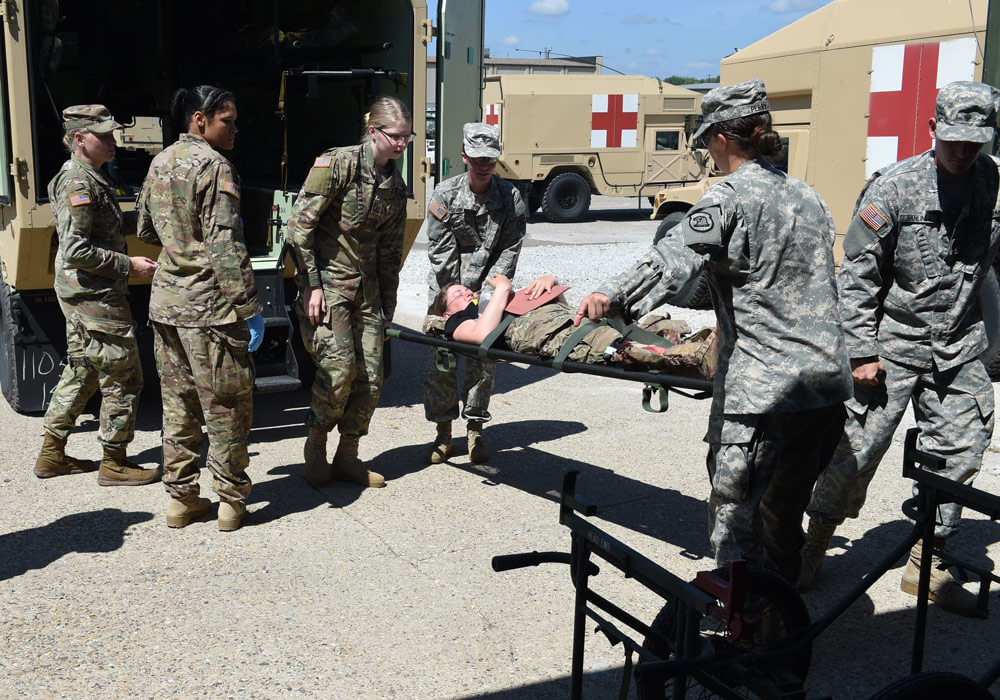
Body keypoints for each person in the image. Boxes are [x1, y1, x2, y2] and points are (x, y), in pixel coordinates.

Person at [575, 79, 852, 583]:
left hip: (763, 390)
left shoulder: (728, 196)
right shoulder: (807, 195)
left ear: (722, 139)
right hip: (822, 387)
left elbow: (674, 258)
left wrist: (611, 295)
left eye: (706, 141)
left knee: (734, 511)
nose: (706, 151)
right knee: (783, 510)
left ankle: (739, 633)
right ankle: (781, 614)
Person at [798, 81, 1000, 616]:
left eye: (973, 143)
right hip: (892, 347)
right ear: (933, 129)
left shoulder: (993, 182)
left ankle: (927, 560)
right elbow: (858, 276)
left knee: (961, 450)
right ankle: (813, 542)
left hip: (959, 345)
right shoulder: (895, 187)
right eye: (952, 140)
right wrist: (860, 351)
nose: (961, 153)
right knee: (853, 453)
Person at [138, 85, 264, 532]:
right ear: (199, 120)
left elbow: (145, 227)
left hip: (166, 307)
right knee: (226, 406)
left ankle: (181, 500)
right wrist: (249, 307)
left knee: (178, 407)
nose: (234, 129)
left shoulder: (160, 162)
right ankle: (230, 503)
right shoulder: (215, 166)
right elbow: (226, 246)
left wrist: (179, 245)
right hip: (209, 310)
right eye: (227, 121)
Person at [33, 105, 160, 487]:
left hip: (86, 292)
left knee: (84, 369)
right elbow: (75, 249)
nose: (111, 140)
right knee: (124, 376)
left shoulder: (92, 177)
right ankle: (115, 462)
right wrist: (128, 265)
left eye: (111, 133)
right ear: (78, 139)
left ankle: (52, 453)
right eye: (102, 135)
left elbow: (99, 228)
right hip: (94, 294)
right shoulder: (78, 182)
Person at [287, 95, 410, 488]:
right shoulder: (338, 164)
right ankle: (316, 445)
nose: (403, 144)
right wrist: (311, 286)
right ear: (373, 132)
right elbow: (299, 227)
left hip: (368, 294)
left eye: (407, 137)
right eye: (397, 137)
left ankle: (348, 456)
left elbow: (390, 251)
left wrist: (387, 306)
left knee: (371, 379)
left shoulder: (394, 181)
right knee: (338, 372)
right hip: (329, 287)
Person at [423, 123, 526, 465]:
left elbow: (511, 246)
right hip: (446, 290)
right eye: (477, 158)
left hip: (487, 290)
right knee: (443, 362)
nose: (484, 166)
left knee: (484, 363)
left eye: (491, 160)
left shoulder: (509, 197)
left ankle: (475, 429)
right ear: (464, 156)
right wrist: (458, 297)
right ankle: (442, 433)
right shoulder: (445, 195)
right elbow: (440, 250)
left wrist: (491, 290)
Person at [436, 274, 716, 377]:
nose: (469, 295)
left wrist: (551, 285)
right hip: (562, 337)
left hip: (576, 322)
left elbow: (560, 309)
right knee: (626, 348)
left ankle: (708, 345)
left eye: (468, 290)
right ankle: (701, 357)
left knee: (651, 329)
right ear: (447, 313)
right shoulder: (459, 322)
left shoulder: (496, 301)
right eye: (459, 296)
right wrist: (503, 288)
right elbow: (483, 334)